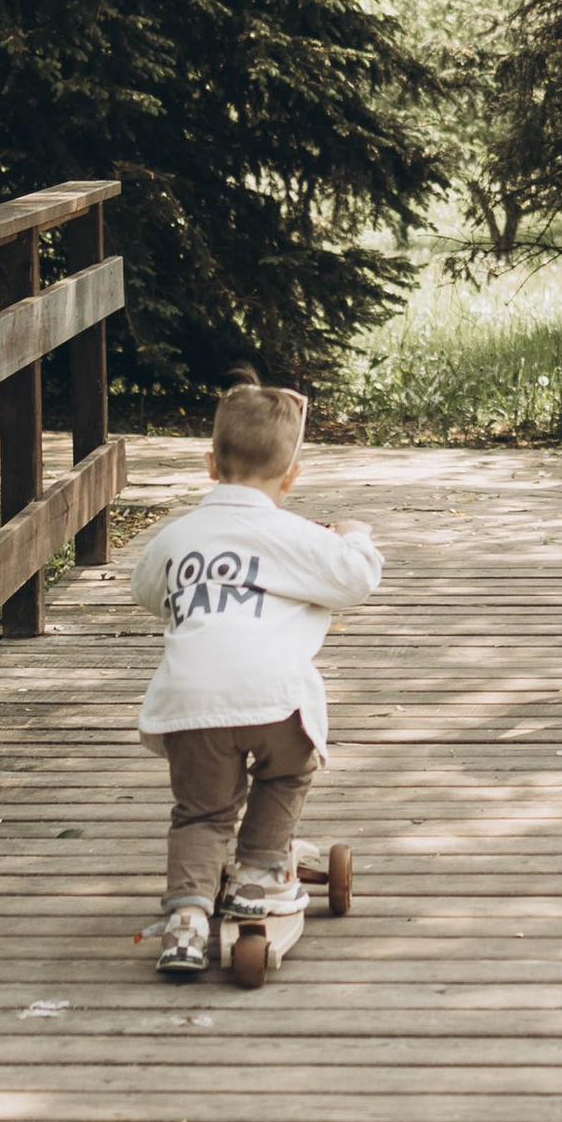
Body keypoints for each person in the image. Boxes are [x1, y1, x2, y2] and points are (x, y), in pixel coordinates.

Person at [127, 376, 383, 974]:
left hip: (190, 706)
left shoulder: (177, 537)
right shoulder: (296, 536)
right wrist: (354, 536)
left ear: (209, 464)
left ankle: (186, 919)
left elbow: (146, 589)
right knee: (289, 770)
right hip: (273, 703)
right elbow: (356, 580)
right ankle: (262, 871)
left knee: (201, 813)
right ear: (290, 478)